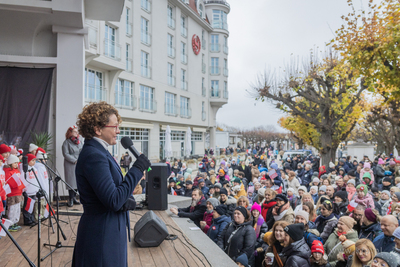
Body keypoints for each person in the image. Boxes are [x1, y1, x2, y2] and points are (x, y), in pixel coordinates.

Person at [72, 102, 150, 267]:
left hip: (109, 229)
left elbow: (111, 192)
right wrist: (136, 170)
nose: (118, 131)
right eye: (114, 126)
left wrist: (127, 197)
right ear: (98, 129)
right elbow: (113, 200)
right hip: (102, 234)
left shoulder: (101, 152)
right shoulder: (94, 155)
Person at [62, 125, 83, 207]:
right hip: (70, 164)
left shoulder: (79, 142)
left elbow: (82, 151)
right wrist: (75, 160)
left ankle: (74, 198)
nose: (76, 133)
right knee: (71, 182)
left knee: (77, 181)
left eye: (77, 131)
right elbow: (66, 154)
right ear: (70, 133)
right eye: (74, 131)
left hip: (79, 163)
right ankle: (70, 198)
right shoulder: (66, 142)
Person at [4, 154, 25, 232]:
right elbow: (9, 182)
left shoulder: (17, 170)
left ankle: (15, 222)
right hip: (12, 194)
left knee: (17, 209)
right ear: (10, 163)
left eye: (17, 162)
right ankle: (10, 224)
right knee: (12, 209)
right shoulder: (8, 172)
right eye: (15, 163)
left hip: (18, 192)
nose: (17, 164)